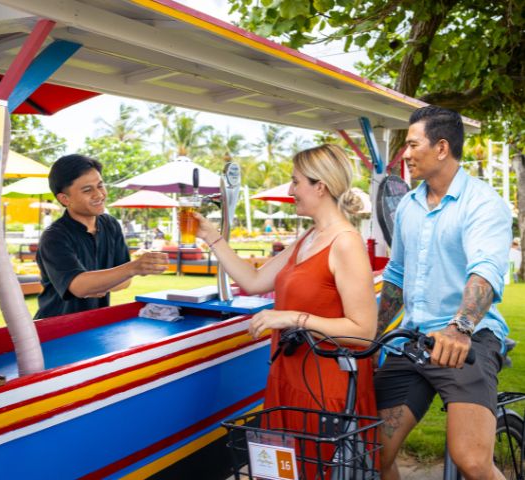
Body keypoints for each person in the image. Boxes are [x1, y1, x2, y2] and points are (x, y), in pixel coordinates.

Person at [194, 144, 378, 475]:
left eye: (295, 182)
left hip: (325, 389)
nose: (291, 190)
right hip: (290, 378)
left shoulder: (345, 242)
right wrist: (211, 237)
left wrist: (292, 318)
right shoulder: (309, 236)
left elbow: (364, 332)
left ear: (319, 186)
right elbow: (253, 281)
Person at [374, 106, 512, 480]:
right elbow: (396, 275)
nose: (405, 153)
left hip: (468, 339)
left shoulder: (483, 203)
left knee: (471, 460)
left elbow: (484, 272)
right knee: (374, 451)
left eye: (412, 144)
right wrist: (370, 334)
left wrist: (460, 328)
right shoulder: (408, 206)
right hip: (415, 342)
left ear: (441, 148)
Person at [35, 154, 168, 319]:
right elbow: (78, 287)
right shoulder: (54, 236)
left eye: (100, 185)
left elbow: (125, 282)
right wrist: (134, 268)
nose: (99, 194)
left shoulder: (110, 225)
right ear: (64, 199)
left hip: (94, 324)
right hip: (54, 328)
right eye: (87, 190)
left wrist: (99, 284)